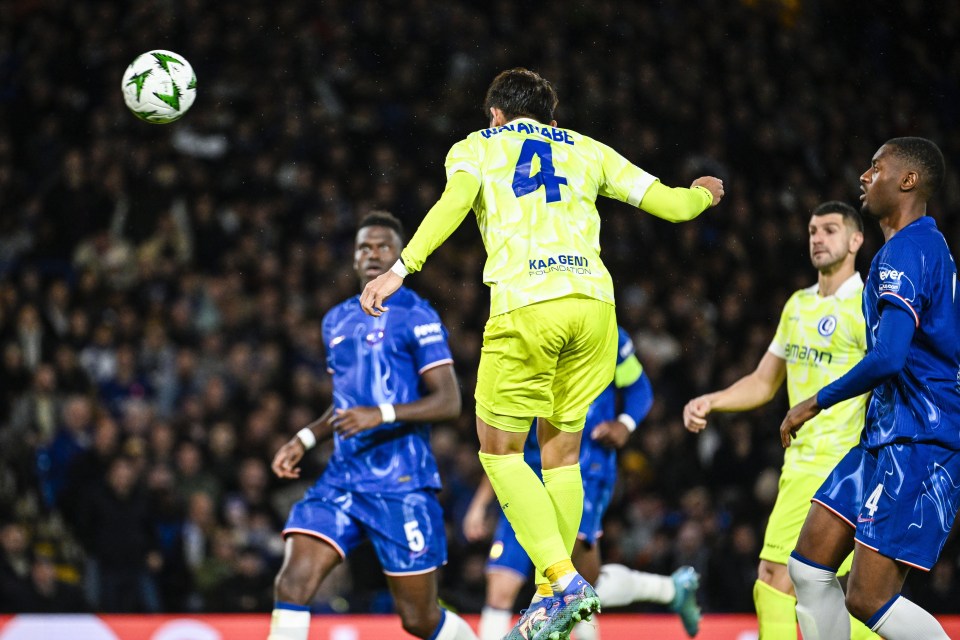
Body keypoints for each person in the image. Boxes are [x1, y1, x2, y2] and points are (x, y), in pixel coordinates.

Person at [360, 68, 723, 640]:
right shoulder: (587, 148)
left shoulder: (476, 148)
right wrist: (705, 192)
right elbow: (675, 207)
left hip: (528, 306)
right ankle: (552, 592)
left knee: (500, 453)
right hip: (596, 310)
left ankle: (562, 579)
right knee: (561, 455)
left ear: (496, 115)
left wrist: (401, 268)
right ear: (551, 119)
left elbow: (454, 204)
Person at [267, 212, 478, 640]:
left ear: (400, 255)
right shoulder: (336, 321)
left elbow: (449, 401)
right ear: (354, 257)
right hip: (343, 479)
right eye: (364, 246)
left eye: (383, 246)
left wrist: (380, 414)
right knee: (291, 583)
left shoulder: (416, 315)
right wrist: (305, 438)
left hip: (400, 482)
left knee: (418, 620)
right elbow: (345, 405)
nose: (373, 253)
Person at [781, 137, 959, 640]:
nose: (865, 175)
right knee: (809, 567)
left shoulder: (909, 249)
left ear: (908, 181)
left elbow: (889, 357)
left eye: (877, 167)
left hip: (920, 440)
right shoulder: (914, 246)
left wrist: (813, 402)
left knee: (868, 597)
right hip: (885, 435)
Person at [682, 201, 878, 639]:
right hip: (800, 464)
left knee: (774, 577)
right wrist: (712, 401)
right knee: (831, 593)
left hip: (838, 462)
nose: (817, 238)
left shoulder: (867, 306)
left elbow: (891, 373)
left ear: (856, 240)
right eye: (812, 230)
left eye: (829, 229)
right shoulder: (797, 305)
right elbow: (764, 381)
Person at [463, 325, 701, 640]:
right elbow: (501, 446)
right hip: (529, 474)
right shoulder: (522, 332)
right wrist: (479, 505)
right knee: (502, 585)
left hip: (584, 468)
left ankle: (669, 589)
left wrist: (625, 424)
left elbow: (639, 388)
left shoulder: (605, 331)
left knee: (577, 583)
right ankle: (670, 589)